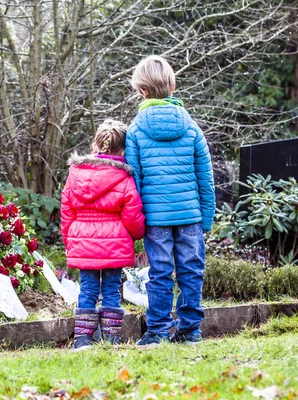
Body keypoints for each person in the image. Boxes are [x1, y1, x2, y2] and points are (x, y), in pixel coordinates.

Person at [125, 55, 216, 347]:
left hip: (156, 219)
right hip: (190, 216)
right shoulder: (191, 128)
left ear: (142, 91)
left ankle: (158, 330)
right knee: (192, 270)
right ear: (173, 86)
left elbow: (133, 181)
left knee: (160, 272)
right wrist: (207, 215)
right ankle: (190, 329)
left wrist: (136, 222)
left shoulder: (136, 130)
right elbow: (206, 176)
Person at [61, 119, 145, 350]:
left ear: (95, 145)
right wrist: (137, 234)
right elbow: (132, 214)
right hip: (114, 243)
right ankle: (111, 338)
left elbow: (67, 209)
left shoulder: (76, 174)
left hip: (83, 240)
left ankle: (82, 339)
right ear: (123, 149)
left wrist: (69, 239)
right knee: (110, 289)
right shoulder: (125, 178)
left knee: (87, 289)